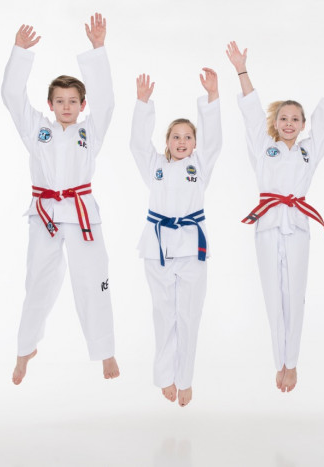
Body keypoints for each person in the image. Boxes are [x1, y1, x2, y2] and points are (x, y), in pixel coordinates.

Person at [226, 41, 324, 392]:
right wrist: (241, 69)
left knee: (295, 295)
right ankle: (278, 362)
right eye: (283, 118)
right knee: (273, 296)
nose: (288, 123)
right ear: (275, 122)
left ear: (302, 125)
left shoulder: (310, 150)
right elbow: (252, 114)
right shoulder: (263, 147)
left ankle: (292, 364)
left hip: (297, 225)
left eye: (295, 119)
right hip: (267, 225)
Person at [2, 13, 120, 385]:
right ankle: (25, 349)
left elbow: (107, 103)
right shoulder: (38, 130)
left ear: (82, 105)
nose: (66, 106)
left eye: (72, 101)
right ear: (50, 104)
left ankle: (105, 350)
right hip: (45, 215)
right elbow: (12, 97)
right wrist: (20, 52)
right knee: (37, 279)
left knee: (94, 279)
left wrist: (98, 49)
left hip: (83, 214)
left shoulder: (90, 132)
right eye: (59, 101)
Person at [130, 69, 221, 407]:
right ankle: (164, 376)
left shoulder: (200, 166)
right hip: (157, 248)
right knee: (163, 314)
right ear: (167, 141)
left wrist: (212, 98)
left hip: (192, 248)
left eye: (188, 137)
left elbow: (215, 142)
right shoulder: (154, 166)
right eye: (175, 137)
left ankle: (185, 379)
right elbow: (137, 145)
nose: (182, 142)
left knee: (189, 316)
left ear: (195, 143)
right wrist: (142, 104)